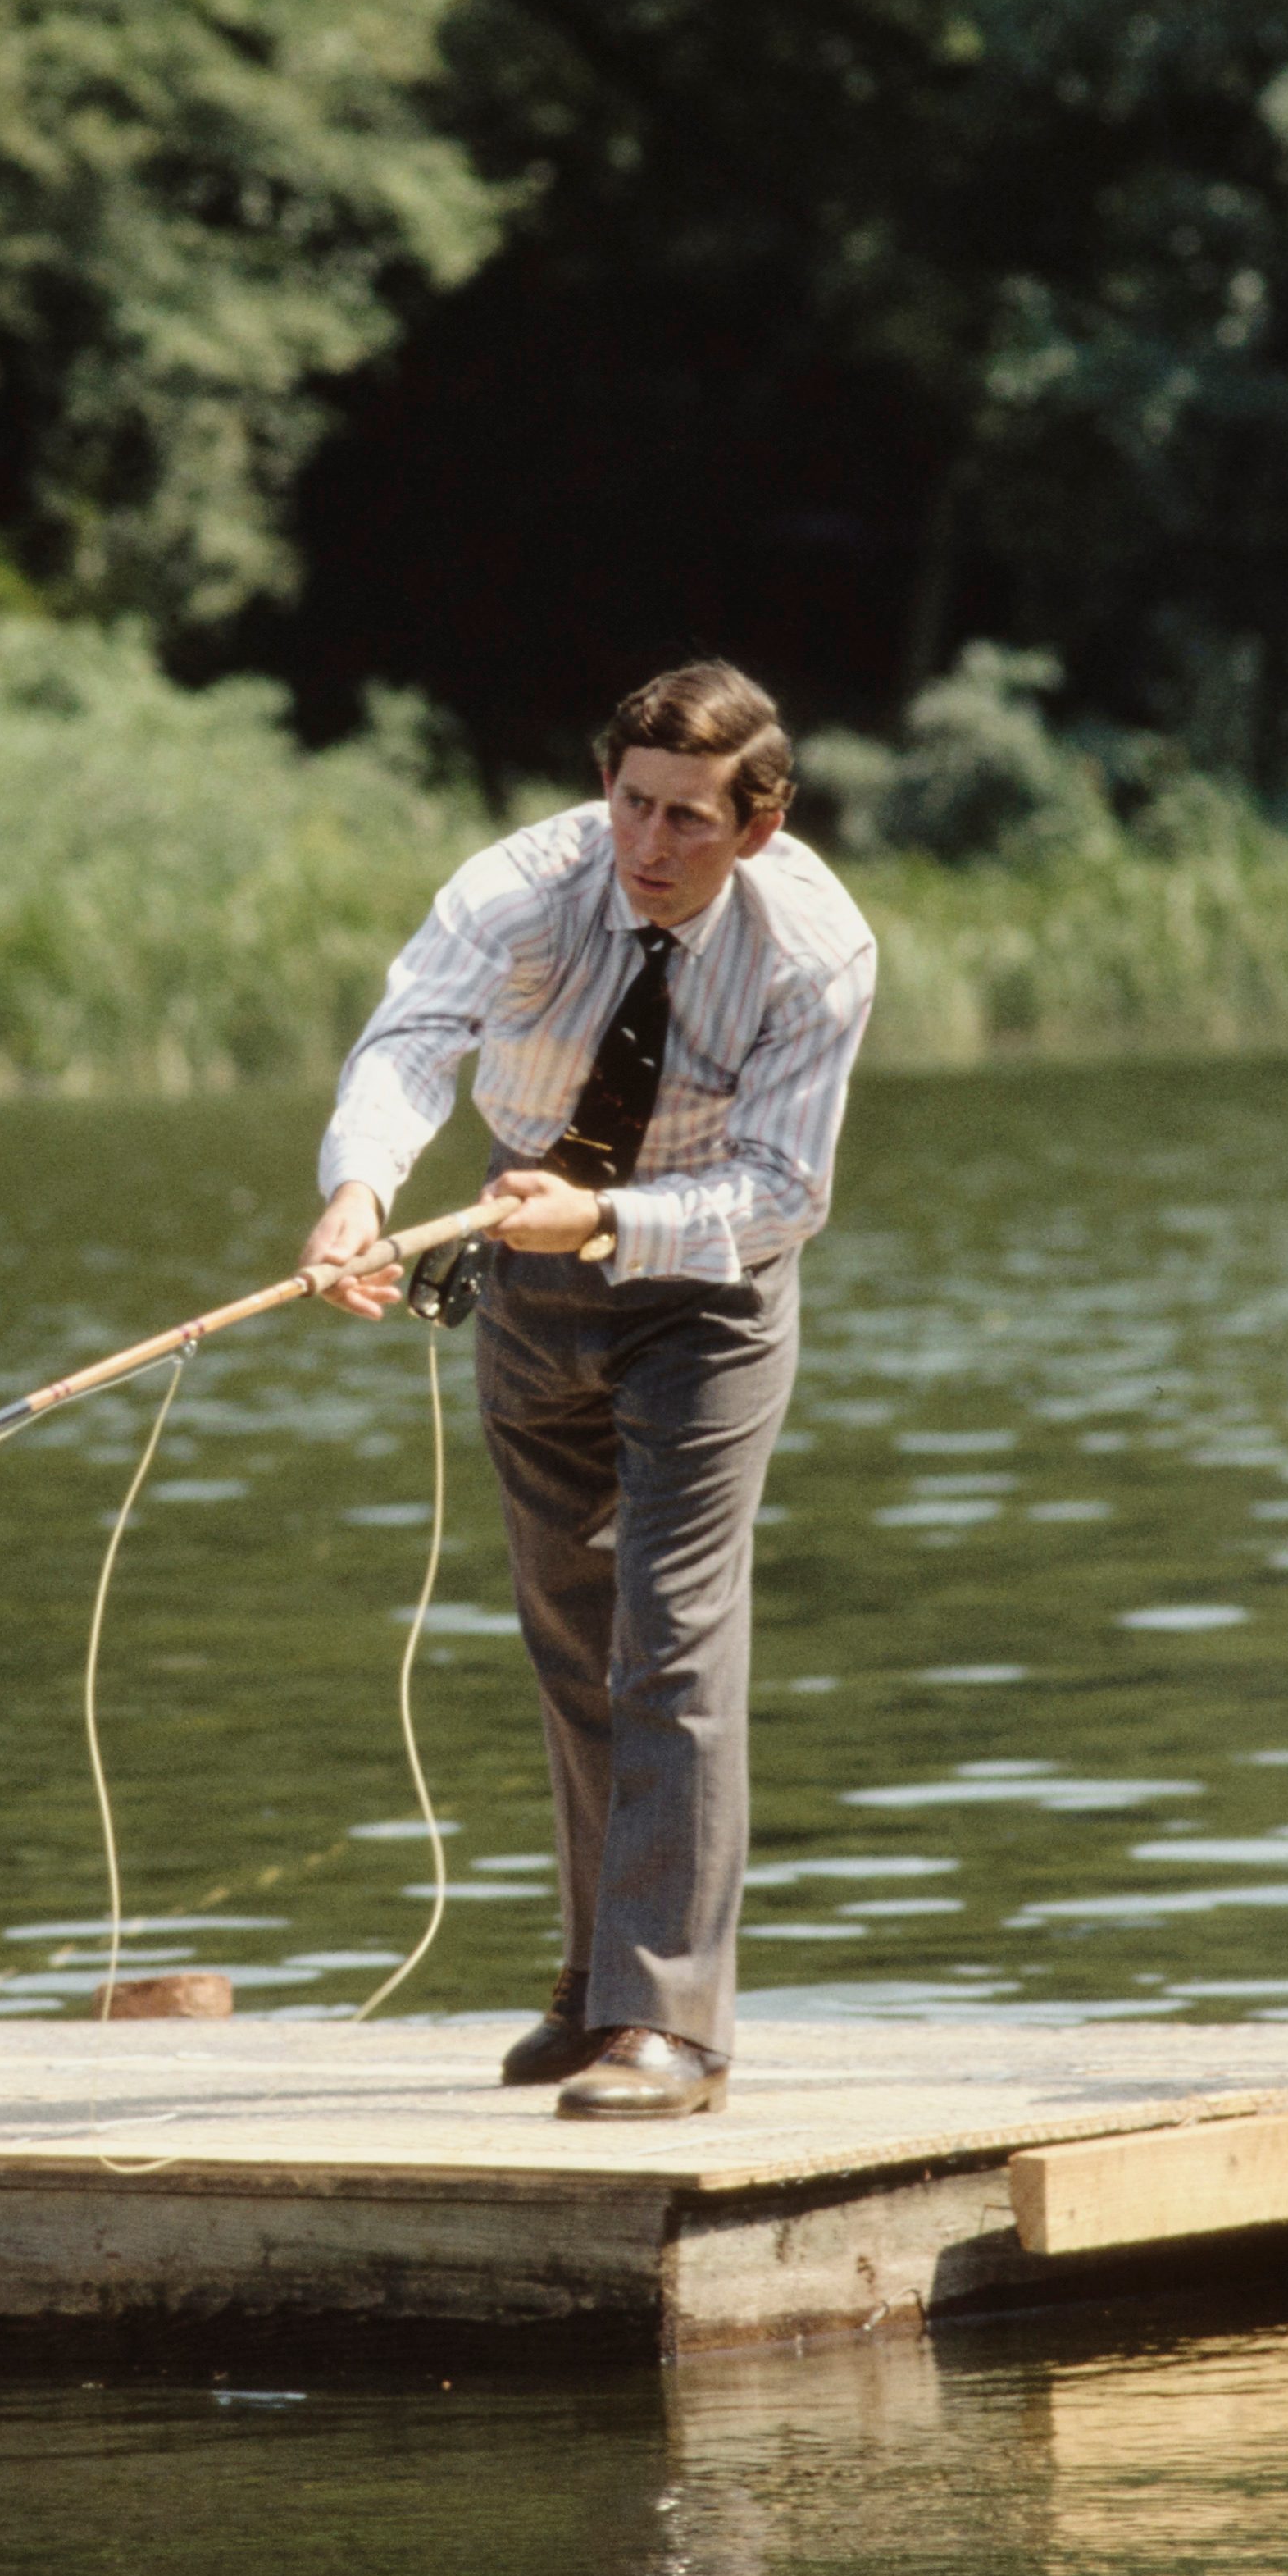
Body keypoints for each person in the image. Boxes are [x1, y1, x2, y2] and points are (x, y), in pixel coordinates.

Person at [299, 663, 879, 2119]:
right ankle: (593, 1992)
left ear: (758, 826)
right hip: (526, 1268)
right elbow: (412, 1041)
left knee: (671, 1638)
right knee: (569, 1632)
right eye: (631, 801)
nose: (649, 841)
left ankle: (673, 2027)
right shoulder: (521, 884)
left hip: (709, 1289)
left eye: (689, 818)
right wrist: (360, 1196)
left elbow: (787, 1193)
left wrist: (610, 1221)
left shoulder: (815, 947)